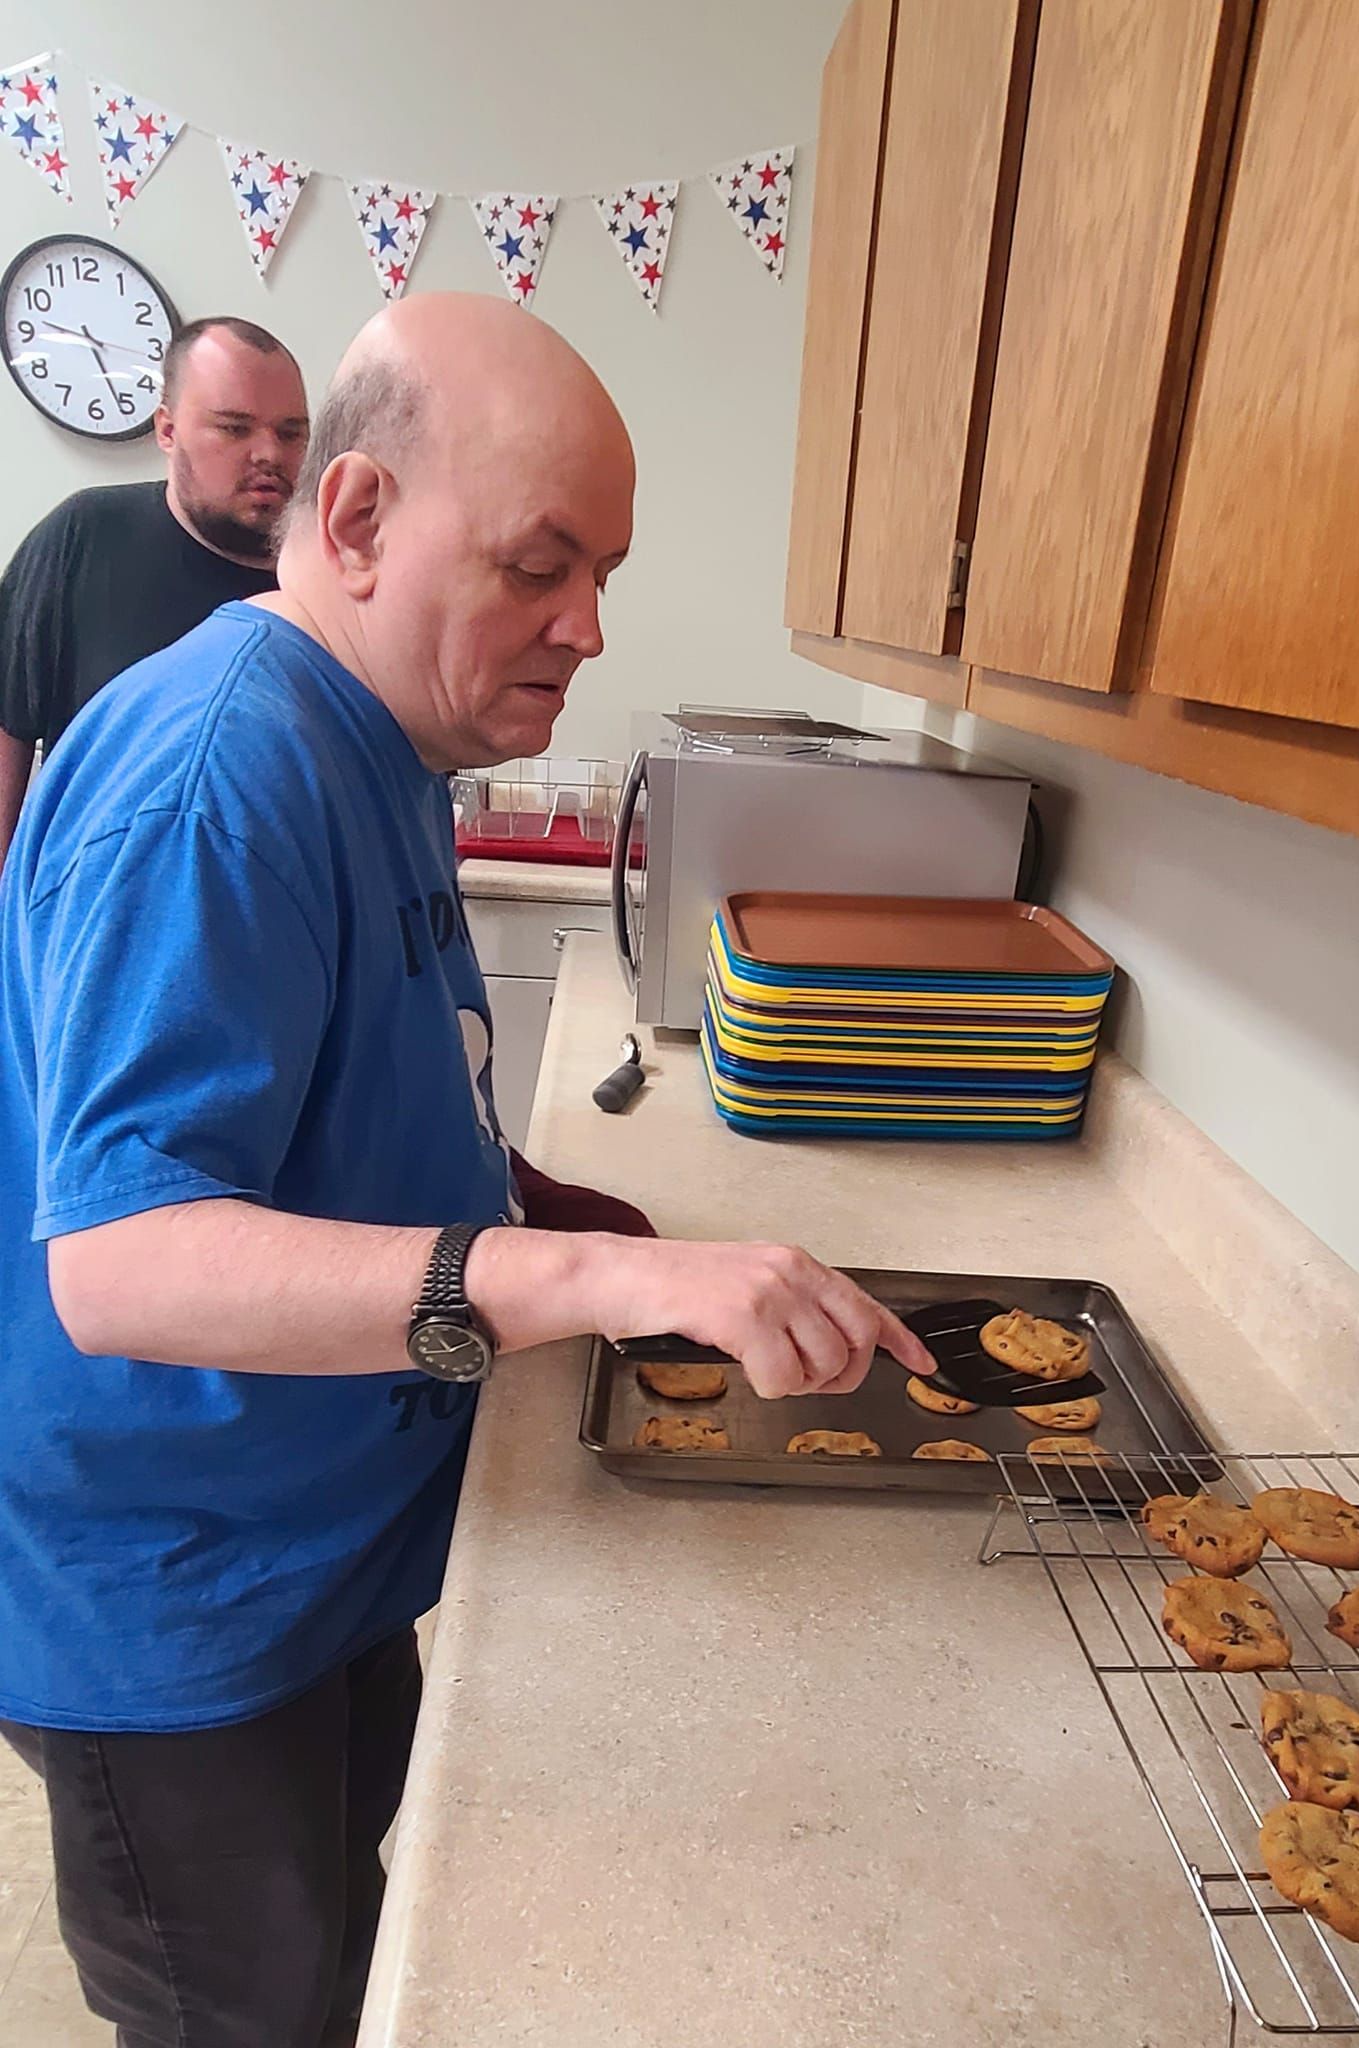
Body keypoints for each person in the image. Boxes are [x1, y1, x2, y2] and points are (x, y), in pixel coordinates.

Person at [0, 293, 932, 2048]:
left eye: (602, 571)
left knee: (349, 1954)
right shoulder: (219, 769)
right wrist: (587, 1284)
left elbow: (363, 1080)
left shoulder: (392, 735)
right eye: (536, 564)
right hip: (178, 1588)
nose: (585, 625)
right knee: (246, 2012)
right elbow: (123, 1258)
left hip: (314, 1531)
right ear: (352, 520)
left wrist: (554, 1206)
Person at [0, 314, 310, 867]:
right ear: (167, 431)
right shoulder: (83, 538)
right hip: (92, 926)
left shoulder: (333, 576)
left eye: (290, 432)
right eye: (235, 428)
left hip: (278, 930)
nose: (270, 453)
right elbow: (7, 732)